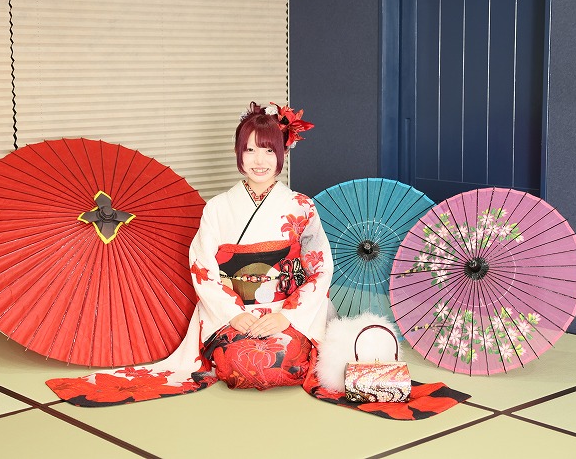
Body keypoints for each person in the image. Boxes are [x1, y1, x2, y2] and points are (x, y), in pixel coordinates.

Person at [46, 102, 469, 420]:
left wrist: (286, 316)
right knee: (242, 367)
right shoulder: (217, 208)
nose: (259, 160)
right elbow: (203, 269)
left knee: (282, 364)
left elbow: (320, 268)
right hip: (234, 310)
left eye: (268, 150)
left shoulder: (300, 206)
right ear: (238, 154)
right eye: (249, 150)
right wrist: (236, 315)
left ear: (281, 154)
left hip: (290, 309)